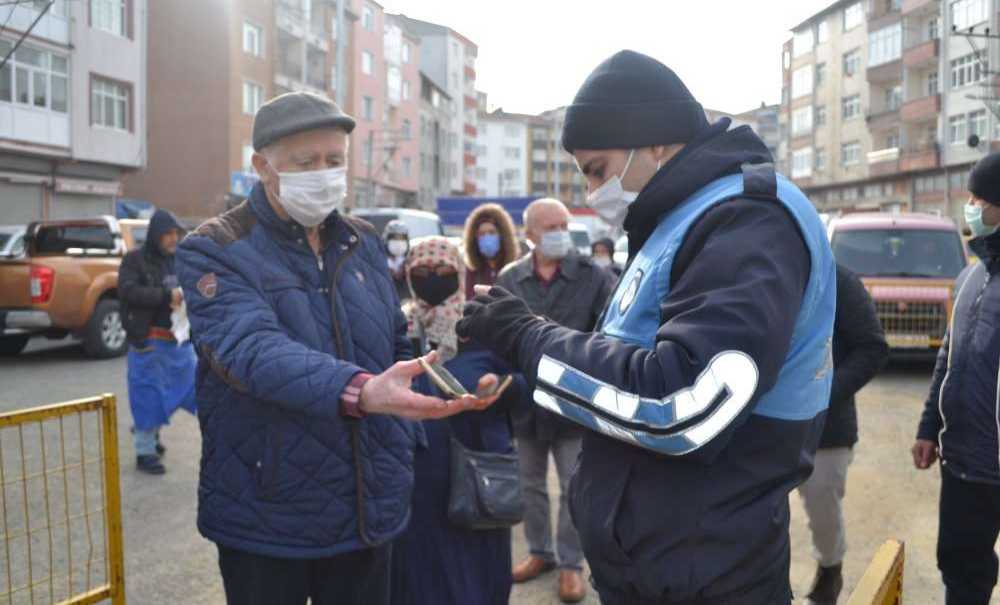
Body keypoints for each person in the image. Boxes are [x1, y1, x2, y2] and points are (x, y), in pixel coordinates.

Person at [457, 50, 836, 603]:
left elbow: (683, 401)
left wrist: (528, 338)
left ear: (656, 142)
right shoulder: (683, 219)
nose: (591, 194)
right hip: (662, 563)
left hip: (708, 573)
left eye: (598, 170)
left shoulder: (746, 219)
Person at [175, 92, 499, 605]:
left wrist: (452, 383)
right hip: (269, 511)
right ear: (263, 165)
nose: (323, 174)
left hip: (372, 506)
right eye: (306, 163)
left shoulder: (361, 241)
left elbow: (392, 342)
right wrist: (363, 391)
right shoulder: (216, 248)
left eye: (334, 161)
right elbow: (250, 350)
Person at [391, 236, 525, 605]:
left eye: (443, 270)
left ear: (460, 272)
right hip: (414, 481)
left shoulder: (481, 323)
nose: (432, 277)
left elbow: (526, 384)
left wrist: (499, 387)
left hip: (476, 477)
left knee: (476, 581)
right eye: (421, 270)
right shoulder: (398, 327)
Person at [495, 198, 614, 603]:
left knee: (574, 486)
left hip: (573, 401)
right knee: (529, 485)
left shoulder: (592, 276)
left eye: (563, 224)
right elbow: (498, 337)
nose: (560, 232)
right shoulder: (510, 279)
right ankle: (539, 552)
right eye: (550, 226)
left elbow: (610, 333)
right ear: (529, 234)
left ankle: (570, 564)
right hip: (526, 404)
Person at [913, 151, 1000, 605]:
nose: (970, 206)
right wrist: (930, 427)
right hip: (966, 462)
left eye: (979, 197)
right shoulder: (969, 277)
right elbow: (948, 357)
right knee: (962, 570)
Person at [798, 264, 888, 605]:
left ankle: (829, 569)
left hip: (827, 428)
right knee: (761, 514)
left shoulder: (839, 281)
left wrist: (823, 393)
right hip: (766, 425)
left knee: (822, 506)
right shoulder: (762, 273)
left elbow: (873, 348)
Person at [118, 208, 197, 475]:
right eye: (168, 234)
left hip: (178, 342)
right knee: (148, 395)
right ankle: (144, 451)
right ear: (155, 235)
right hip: (149, 342)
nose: (173, 239)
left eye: (176, 233)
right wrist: (166, 296)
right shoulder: (135, 260)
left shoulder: (177, 260)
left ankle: (151, 436)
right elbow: (128, 291)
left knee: (184, 390)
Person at [463, 203, 519, 299]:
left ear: (502, 235)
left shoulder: (515, 269)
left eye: (492, 232)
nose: (487, 237)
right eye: (482, 234)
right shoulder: (470, 271)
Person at [384, 219, 411, 302]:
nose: (398, 243)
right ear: (386, 240)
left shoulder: (411, 262)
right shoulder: (378, 262)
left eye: (402, 239)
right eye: (394, 238)